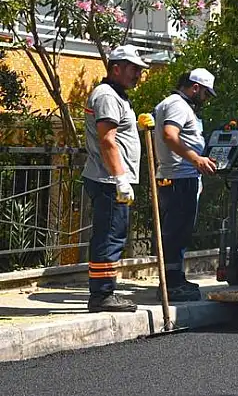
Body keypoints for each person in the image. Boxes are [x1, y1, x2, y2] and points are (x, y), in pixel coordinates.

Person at [82, 45, 149, 312]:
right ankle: (102, 295)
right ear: (116, 68)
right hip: (109, 181)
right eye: (134, 70)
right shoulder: (108, 96)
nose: (138, 76)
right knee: (109, 237)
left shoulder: (117, 96)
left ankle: (104, 292)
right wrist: (120, 178)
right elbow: (108, 140)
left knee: (112, 235)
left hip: (110, 179)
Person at [153, 68, 219, 301]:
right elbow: (170, 135)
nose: (206, 100)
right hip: (180, 178)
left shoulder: (170, 104)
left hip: (178, 177)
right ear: (195, 87)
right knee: (177, 232)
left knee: (176, 232)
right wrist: (196, 159)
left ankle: (174, 278)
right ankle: (171, 284)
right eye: (206, 94)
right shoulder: (178, 105)